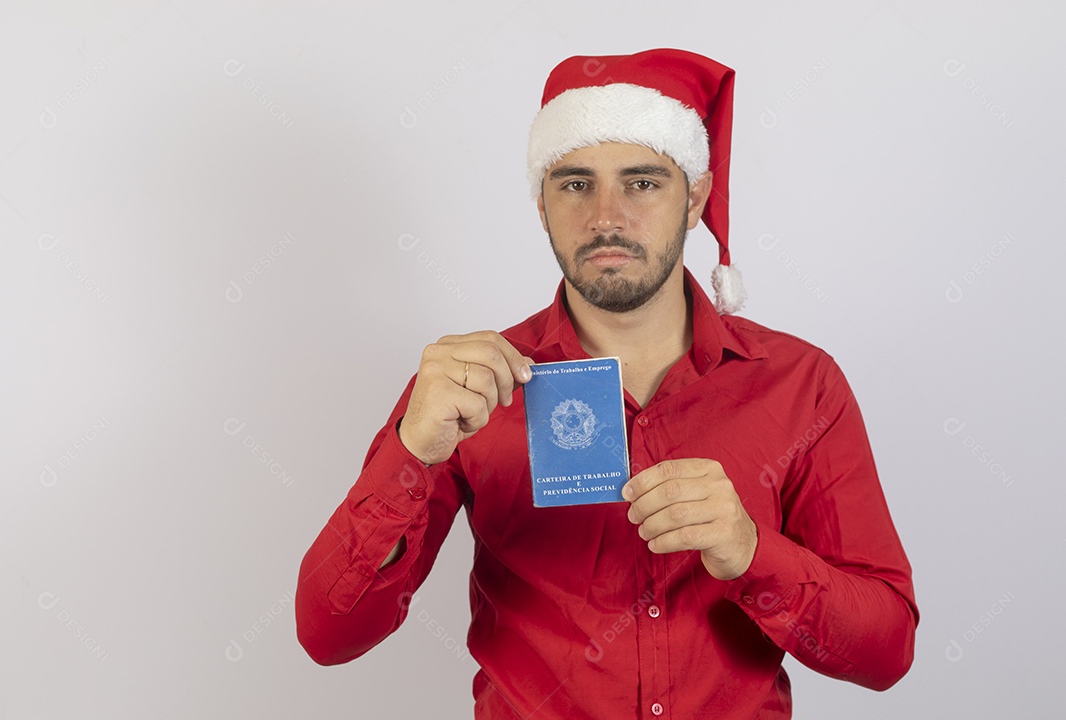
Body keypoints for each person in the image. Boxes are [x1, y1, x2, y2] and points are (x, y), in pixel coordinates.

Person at [296, 48, 918, 719]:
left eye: (643, 183)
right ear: (541, 203)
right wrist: (411, 453)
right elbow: (329, 634)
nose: (606, 217)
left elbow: (885, 652)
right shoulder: (470, 390)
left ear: (696, 197)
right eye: (574, 184)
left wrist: (750, 552)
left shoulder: (801, 385)